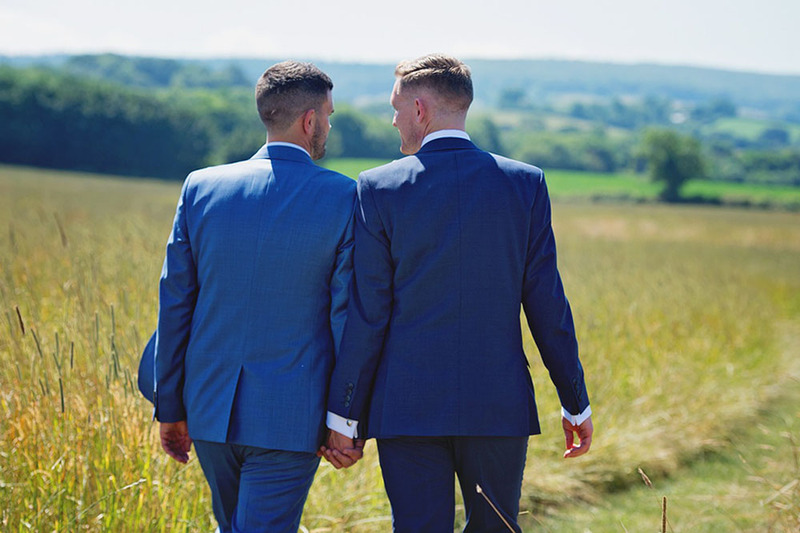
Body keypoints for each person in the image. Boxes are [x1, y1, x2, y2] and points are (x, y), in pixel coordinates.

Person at [322, 54, 594, 532]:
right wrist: (575, 400)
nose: (393, 119)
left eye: (396, 108)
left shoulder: (378, 188)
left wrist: (345, 416)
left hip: (405, 406)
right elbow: (547, 305)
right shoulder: (524, 184)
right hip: (497, 402)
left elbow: (368, 314)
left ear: (421, 110)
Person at [150, 60, 360, 533]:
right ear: (310, 121)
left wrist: (171, 406)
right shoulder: (346, 196)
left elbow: (175, 303)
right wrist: (345, 419)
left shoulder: (200, 187)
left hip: (207, 408)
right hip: (292, 415)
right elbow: (347, 316)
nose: (328, 124)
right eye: (328, 114)